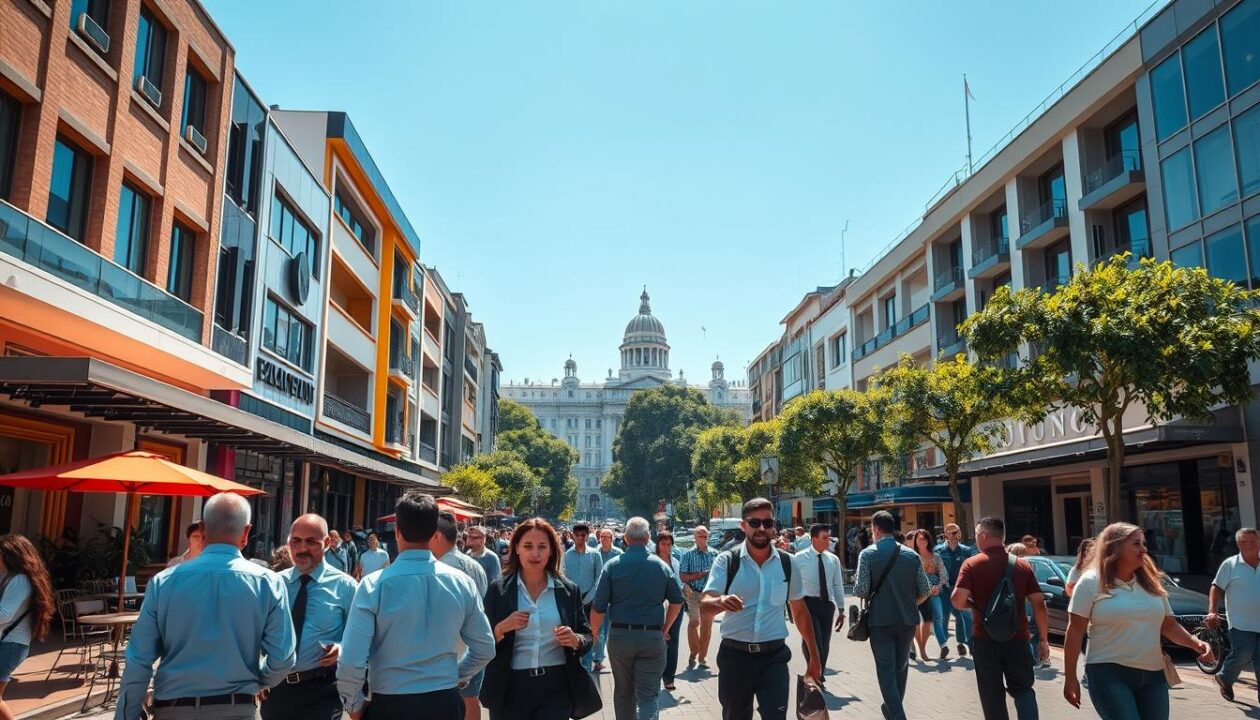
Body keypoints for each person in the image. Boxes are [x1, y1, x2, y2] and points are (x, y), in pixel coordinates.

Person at [117, 493, 296, 720]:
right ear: (247, 532)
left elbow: (139, 659)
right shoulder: (269, 583)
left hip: (173, 709)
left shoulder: (164, 582)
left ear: (202, 528)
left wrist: (126, 714)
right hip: (236, 708)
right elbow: (283, 658)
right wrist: (257, 679)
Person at [338, 492, 495, 720]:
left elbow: (351, 662)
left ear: (397, 531)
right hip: (444, 702)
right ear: (434, 534)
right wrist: (454, 675)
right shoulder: (462, 583)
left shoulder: (373, 585)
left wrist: (354, 706)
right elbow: (485, 648)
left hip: (391, 703)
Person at [1063, 522, 1215, 720]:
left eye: (1143, 543)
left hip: (1153, 674)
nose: (1144, 549)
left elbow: (1168, 625)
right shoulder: (1091, 581)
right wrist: (1070, 677)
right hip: (1108, 673)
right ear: (1114, 547)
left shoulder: (1150, 582)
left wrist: (1196, 644)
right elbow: (1075, 631)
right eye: (1136, 544)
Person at [702, 498, 822, 720]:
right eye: (755, 522)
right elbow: (705, 603)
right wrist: (719, 602)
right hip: (735, 657)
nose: (761, 528)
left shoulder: (788, 563)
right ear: (743, 525)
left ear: (774, 525)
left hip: (774, 658)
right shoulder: (727, 561)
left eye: (767, 523)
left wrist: (814, 657)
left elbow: (801, 612)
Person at [481, 519, 597, 720]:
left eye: (542, 546)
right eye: (528, 546)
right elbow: (481, 641)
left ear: (552, 550)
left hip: (556, 687)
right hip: (509, 686)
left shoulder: (568, 590)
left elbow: (587, 637)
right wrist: (500, 629)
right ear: (516, 548)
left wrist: (575, 639)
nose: (535, 553)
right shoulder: (498, 590)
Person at [260, 514, 357, 720]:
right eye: (296, 541)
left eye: (311, 542)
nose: (302, 548)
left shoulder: (346, 587)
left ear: (327, 543)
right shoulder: (274, 584)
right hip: (277, 690)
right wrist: (258, 677)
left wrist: (342, 648)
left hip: (321, 691)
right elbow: (256, 635)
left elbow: (360, 638)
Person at [951, 516, 1048, 720]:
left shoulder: (972, 564)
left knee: (992, 695)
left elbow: (958, 600)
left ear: (984, 536)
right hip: (1018, 637)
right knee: (1023, 690)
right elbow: (1039, 603)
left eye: (977, 535)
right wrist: (1044, 640)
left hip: (985, 638)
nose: (976, 539)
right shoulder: (1022, 566)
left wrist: (976, 606)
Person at [590, 516, 683, 720]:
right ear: (649, 536)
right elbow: (677, 601)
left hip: (620, 637)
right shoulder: (661, 566)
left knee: (624, 692)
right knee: (649, 695)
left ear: (625, 538)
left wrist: (594, 636)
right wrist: (666, 629)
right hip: (651, 637)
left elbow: (598, 607)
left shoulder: (612, 566)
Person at [852, 510, 930, 720]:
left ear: (876, 528)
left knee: (886, 669)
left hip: (880, 620)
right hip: (907, 620)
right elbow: (925, 589)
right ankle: (892, 709)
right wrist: (908, 603)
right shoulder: (911, 554)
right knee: (901, 668)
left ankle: (897, 715)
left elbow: (861, 589)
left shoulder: (868, 554)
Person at [433, 513, 490, 720]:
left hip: (453, 651)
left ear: (437, 536)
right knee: (471, 700)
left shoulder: (442, 568)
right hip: (474, 646)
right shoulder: (473, 564)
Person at [0, 535, 54, 720]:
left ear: (11, 556)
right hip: (10, 643)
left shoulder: (19, 580)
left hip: (10, 645)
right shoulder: (10, 577)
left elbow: (4, 614)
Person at [1207, 527, 1260, 703]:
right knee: (1242, 655)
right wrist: (1212, 611)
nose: (1249, 545)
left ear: (1258, 542)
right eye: (1244, 542)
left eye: (1252, 541)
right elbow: (1216, 587)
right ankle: (1225, 678)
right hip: (1241, 623)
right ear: (1238, 544)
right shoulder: (1230, 564)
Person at [791, 524, 845, 682]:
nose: (828, 541)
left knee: (825, 642)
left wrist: (841, 609)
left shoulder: (833, 560)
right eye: (824, 538)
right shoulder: (799, 558)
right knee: (812, 640)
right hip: (807, 604)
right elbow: (792, 583)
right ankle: (815, 673)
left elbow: (837, 585)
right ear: (813, 538)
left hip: (826, 604)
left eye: (829, 537)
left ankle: (818, 672)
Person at [561, 523, 603, 672]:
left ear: (587, 535)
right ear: (572, 535)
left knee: (591, 632)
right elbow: (563, 576)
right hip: (572, 600)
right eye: (577, 535)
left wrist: (589, 596)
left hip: (590, 599)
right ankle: (575, 665)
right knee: (573, 631)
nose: (580, 537)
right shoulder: (566, 555)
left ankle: (588, 665)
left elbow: (599, 578)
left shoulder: (595, 554)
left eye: (583, 535)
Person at [678, 525, 718, 670]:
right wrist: (700, 574)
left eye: (705, 536)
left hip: (709, 595)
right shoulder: (687, 555)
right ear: (695, 538)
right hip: (693, 593)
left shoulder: (715, 554)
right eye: (700, 536)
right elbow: (683, 576)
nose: (703, 539)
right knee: (694, 622)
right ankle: (693, 652)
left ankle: (702, 657)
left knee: (706, 627)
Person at [936, 523, 978, 657]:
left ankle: (965, 644)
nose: (955, 535)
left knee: (964, 617)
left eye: (957, 532)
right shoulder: (938, 550)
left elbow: (971, 570)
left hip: (961, 589)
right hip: (944, 589)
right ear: (946, 534)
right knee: (944, 618)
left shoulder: (966, 550)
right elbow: (934, 569)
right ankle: (944, 646)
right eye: (952, 533)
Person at [910, 529, 950, 661]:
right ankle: (914, 648)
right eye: (919, 539)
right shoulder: (912, 556)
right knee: (915, 622)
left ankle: (923, 650)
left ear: (929, 540)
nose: (922, 542)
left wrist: (939, 586)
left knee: (929, 620)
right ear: (915, 541)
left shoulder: (936, 556)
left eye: (924, 539)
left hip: (933, 592)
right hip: (916, 592)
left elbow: (943, 573)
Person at [654, 531, 685, 691]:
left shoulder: (675, 562)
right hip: (657, 608)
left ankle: (669, 677)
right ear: (657, 545)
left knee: (672, 642)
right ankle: (654, 676)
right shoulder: (652, 561)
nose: (666, 547)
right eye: (663, 544)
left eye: (669, 544)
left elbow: (678, 585)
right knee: (656, 641)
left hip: (675, 607)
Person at [592, 528, 624, 672]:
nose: (604, 539)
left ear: (612, 539)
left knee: (611, 630)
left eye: (607, 537)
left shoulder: (618, 554)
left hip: (615, 598)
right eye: (602, 537)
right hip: (599, 597)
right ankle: (598, 659)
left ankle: (613, 659)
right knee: (599, 629)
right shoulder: (594, 553)